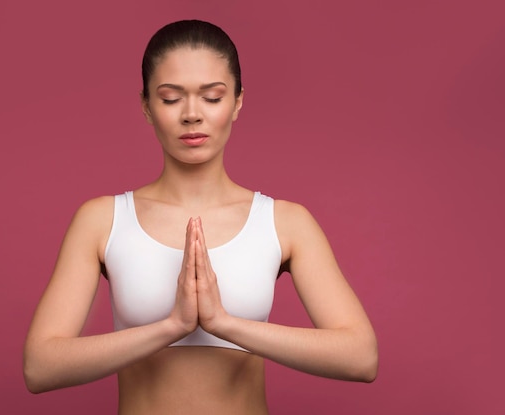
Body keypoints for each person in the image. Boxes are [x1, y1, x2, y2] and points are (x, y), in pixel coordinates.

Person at [23, 19, 378, 414]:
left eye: (212, 97)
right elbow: (40, 367)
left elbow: (360, 357)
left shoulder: (286, 223)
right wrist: (171, 326)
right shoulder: (102, 220)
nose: (192, 115)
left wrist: (223, 323)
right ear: (146, 106)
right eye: (171, 98)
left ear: (238, 102)